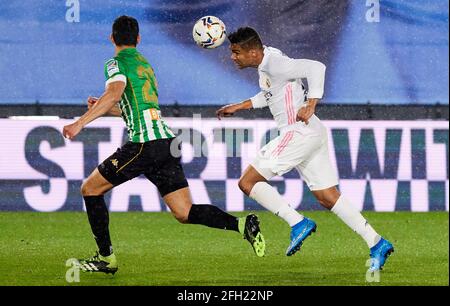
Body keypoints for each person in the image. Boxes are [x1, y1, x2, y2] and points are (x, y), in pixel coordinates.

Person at [62, 17, 265, 275]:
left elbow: (114, 92)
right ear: (138, 39)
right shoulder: (144, 64)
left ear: (111, 38)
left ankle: (106, 258)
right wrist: (107, 109)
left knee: (90, 189)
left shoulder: (115, 63)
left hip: (143, 145)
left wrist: (80, 123)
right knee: (184, 211)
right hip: (166, 144)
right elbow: (138, 109)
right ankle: (241, 224)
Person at [216, 27, 393, 272]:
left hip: (297, 132)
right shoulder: (268, 62)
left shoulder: (275, 63)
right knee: (327, 196)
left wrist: (311, 104)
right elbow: (271, 93)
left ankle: (297, 222)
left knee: (247, 182)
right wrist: (239, 106)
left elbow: (316, 68)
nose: (232, 57)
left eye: (236, 52)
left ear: (254, 52)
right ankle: (377, 243)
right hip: (311, 133)